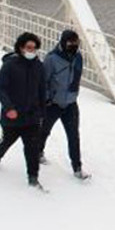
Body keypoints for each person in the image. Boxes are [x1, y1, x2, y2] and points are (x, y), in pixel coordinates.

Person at [0, 32, 48, 190]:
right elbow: (0, 88)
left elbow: (43, 90)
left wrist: (42, 111)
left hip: (32, 117)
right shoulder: (10, 65)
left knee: (32, 149)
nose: (32, 51)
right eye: (29, 48)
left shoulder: (38, 66)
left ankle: (33, 178)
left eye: (34, 48)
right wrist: (9, 108)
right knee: (6, 142)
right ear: (21, 47)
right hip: (13, 116)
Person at [40, 30, 90, 180]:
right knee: (44, 131)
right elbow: (44, 81)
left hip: (70, 104)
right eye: (70, 42)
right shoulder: (51, 59)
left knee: (73, 135)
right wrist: (48, 98)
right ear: (63, 42)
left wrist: (73, 95)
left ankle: (77, 167)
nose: (73, 45)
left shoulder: (78, 57)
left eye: (76, 42)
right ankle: (37, 153)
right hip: (53, 104)